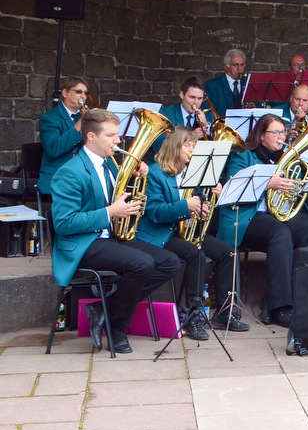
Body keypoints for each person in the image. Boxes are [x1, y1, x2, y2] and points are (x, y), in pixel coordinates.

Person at [50, 109, 180, 354]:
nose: (118, 141)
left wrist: (135, 177)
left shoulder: (110, 164)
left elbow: (115, 196)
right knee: (141, 263)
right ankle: (117, 327)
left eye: (117, 135)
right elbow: (64, 223)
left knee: (170, 263)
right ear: (91, 137)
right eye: (111, 135)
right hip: (83, 244)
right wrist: (110, 212)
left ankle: (105, 309)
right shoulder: (69, 172)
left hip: (110, 238)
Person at [136, 130, 247, 337]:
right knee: (196, 254)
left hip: (185, 230)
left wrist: (213, 197)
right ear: (174, 146)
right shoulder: (155, 173)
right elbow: (155, 212)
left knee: (228, 252)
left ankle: (224, 313)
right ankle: (193, 317)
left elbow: (200, 206)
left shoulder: (195, 172)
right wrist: (186, 206)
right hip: (162, 233)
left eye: (194, 146)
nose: (192, 150)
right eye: (187, 145)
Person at [216, 113, 308, 327]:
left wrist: (305, 188)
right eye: (275, 132)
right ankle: (281, 307)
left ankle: (274, 299)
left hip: (282, 213)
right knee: (280, 235)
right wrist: (266, 183)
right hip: (250, 215)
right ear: (262, 135)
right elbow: (234, 189)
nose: (281, 137)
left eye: (283, 132)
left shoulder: (290, 159)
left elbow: (296, 195)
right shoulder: (244, 155)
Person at [38, 77, 89, 190]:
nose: (83, 96)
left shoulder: (84, 117)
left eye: (85, 93)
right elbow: (53, 148)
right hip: (58, 176)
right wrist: (79, 125)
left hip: (82, 175)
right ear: (65, 93)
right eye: (78, 91)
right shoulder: (49, 118)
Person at [204, 48, 247, 118]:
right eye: (235, 65)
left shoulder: (248, 83)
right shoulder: (212, 85)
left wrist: (252, 105)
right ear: (226, 67)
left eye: (242, 65)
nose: (239, 69)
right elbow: (209, 113)